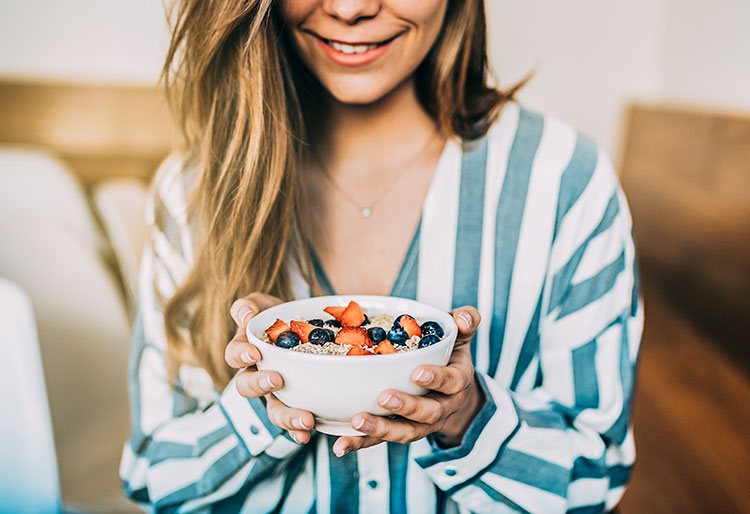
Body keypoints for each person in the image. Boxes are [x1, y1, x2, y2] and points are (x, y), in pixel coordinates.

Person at [120, 0, 643, 512]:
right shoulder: (194, 191)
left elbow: (596, 483)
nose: (350, 8)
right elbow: (154, 477)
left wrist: (465, 417)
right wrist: (261, 401)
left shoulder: (564, 180)